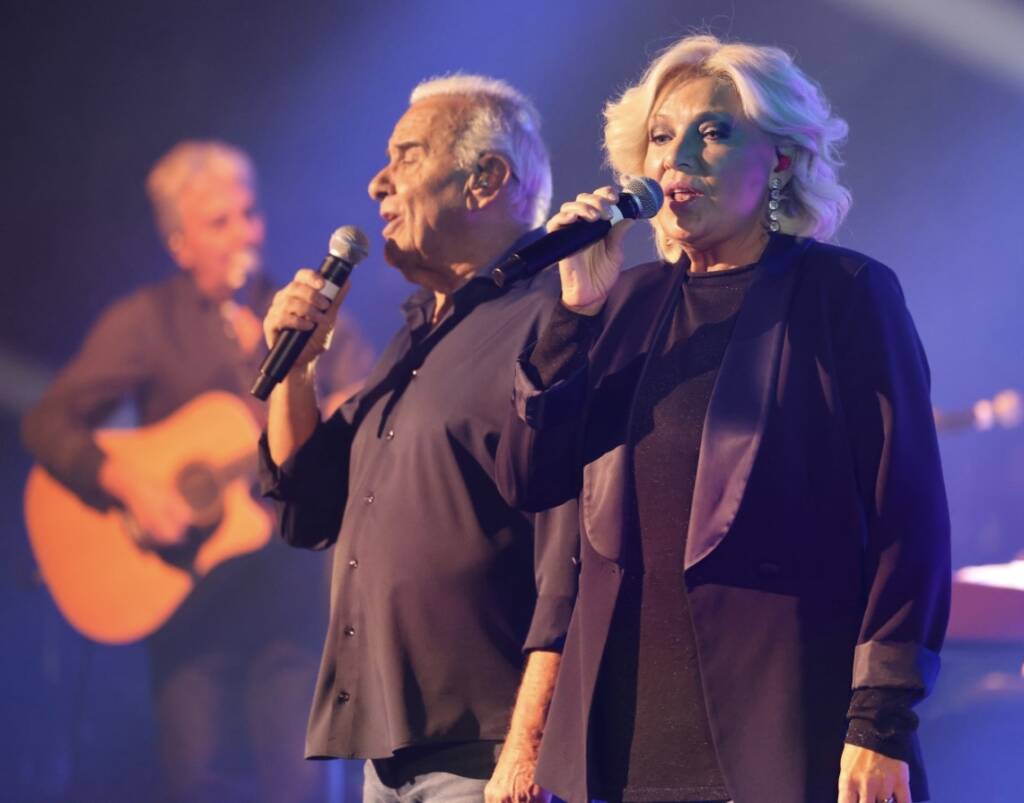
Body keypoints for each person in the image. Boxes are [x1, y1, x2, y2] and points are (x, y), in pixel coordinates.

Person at [495, 35, 951, 803]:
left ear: (780, 159)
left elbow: (908, 520)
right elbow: (532, 480)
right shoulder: (628, 302)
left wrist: (880, 722)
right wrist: (574, 313)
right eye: (662, 137)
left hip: (781, 730)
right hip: (623, 746)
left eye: (712, 132)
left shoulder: (843, 294)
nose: (678, 158)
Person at [258, 74, 577, 803]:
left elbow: (577, 555)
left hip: (490, 756)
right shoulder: (416, 339)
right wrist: (296, 373)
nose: (378, 182)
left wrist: (530, 744)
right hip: (388, 752)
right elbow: (310, 500)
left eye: (407, 155)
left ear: (486, 179)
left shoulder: (554, 318)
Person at [21, 140, 369, 802]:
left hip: (286, 599)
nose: (247, 233)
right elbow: (47, 421)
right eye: (220, 222)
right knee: (195, 780)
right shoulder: (146, 322)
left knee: (301, 782)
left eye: (249, 214)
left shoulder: (303, 312)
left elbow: (364, 400)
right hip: (189, 608)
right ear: (180, 245)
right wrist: (129, 484)